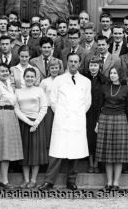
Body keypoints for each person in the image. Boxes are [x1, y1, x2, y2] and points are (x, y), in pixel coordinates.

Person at [39, 53, 91, 191]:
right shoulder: (59, 80)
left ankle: (71, 181)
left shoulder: (86, 81)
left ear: (79, 63)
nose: (73, 64)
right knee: (57, 152)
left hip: (77, 120)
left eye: (76, 61)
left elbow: (87, 102)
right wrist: (62, 114)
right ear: (67, 62)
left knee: (75, 151)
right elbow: (53, 100)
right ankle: (49, 181)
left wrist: (77, 114)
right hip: (61, 120)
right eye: (71, 61)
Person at [0, 63, 23, 189]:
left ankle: (1, 180)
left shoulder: (10, 87)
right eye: (2, 71)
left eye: (7, 71)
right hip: (1, 117)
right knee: (3, 150)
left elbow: (15, 104)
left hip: (11, 117)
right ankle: (4, 181)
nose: (5, 73)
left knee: (6, 149)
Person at [96, 66, 128, 191]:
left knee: (119, 154)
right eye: (111, 73)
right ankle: (109, 182)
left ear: (120, 74)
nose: (112, 75)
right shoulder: (104, 87)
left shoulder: (126, 89)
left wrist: (120, 117)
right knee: (107, 154)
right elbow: (100, 105)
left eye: (115, 73)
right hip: (105, 118)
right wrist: (97, 123)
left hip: (120, 119)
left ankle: (116, 183)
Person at [15, 68, 48, 188]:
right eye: (27, 76)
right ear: (24, 77)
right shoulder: (18, 91)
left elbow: (44, 107)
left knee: (35, 153)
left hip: (37, 124)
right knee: (24, 152)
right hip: (23, 123)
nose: (29, 78)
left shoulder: (39, 91)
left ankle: (33, 180)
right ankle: (25, 179)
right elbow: (16, 108)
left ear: (35, 78)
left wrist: (36, 122)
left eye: (32, 76)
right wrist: (28, 122)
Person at [84, 56, 107, 173]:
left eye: (96, 65)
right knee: (88, 137)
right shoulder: (84, 78)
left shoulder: (104, 80)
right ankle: (90, 162)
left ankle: (97, 163)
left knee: (98, 137)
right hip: (87, 112)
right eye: (91, 65)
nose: (93, 68)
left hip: (99, 111)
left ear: (100, 67)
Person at [39, 58, 63, 152]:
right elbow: (40, 97)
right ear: (49, 69)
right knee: (48, 133)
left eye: (56, 67)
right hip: (48, 111)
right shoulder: (45, 82)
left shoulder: (63, 81)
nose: (54, 70)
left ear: (59, 68)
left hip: (60, 110)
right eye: (52, 68)